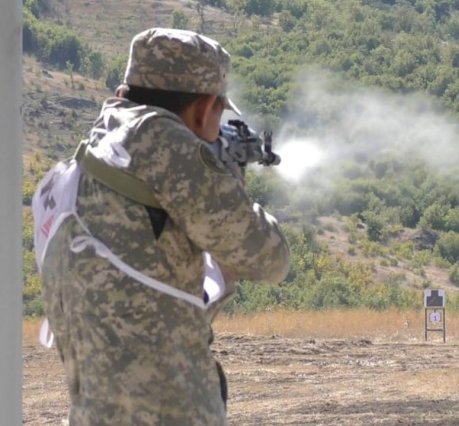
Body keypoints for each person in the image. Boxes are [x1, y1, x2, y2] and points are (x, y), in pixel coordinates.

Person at [33, 27, 290, 425]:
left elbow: (154, 300)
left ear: (124, 93)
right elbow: (270, 257)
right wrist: (230, 183)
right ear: (205, 109)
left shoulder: (94, 157)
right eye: (218, 113)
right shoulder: (166, 147)